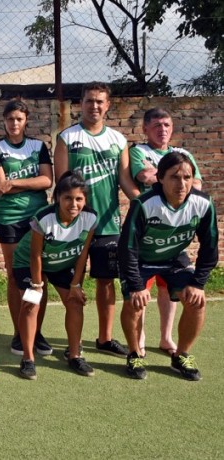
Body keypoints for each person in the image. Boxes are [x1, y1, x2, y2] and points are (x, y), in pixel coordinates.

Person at [53, 82, 137, 358]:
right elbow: (62, 184)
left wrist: (143, 201)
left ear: (108, 105)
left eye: (100, 101)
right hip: (74, 226)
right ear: (81, 103)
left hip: (107, 223)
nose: (94, 106)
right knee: (68, 283)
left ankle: (104, 338)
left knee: (105, 281)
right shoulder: (67, 137)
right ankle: (71, 343)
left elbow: (125, 180)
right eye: (89, 100)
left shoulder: (118, 140)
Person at [119, 152, 217, 381]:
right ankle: (134, 354)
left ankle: (181, 355)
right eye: (174, 177)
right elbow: (127, 248)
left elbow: (210, 249)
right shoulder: (143, 204)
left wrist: (198, 283)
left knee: (197, 301)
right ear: (160, 178)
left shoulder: (203, 204)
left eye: (187, 177)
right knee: (135, 301)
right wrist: (136, 284)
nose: (181, 184)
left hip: (174, 259)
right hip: (140, 261)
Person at [128, 108, 203, 357]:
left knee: (168, 289)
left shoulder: (183, 154)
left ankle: (166, 337)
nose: (163, 130)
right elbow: (143, 175)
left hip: (174, 234)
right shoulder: (138, 151)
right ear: (145, 128)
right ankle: (139, 338)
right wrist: (156, 175)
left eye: (167, 125)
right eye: (157, 125)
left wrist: (159, 175)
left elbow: (197, 184)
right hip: (148, 230)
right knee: (141, 291)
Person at [0, 101, 54, 356]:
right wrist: (28, 183)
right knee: (16, 277)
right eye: (10, 119)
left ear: (26, 121)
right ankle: (18, 332)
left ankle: (35, 331)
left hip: (37, 217)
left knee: (39, 277)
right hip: (10, 218)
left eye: (19, 119)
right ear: (4, 121)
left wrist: (14, 182)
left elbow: (47, 180)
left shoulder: (38, 146)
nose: (14, 123)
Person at [12, 172, 97, 379]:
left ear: (85, 200)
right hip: (28, 263)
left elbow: (83, 253)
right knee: (32, 303)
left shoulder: (90, 218)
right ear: (58, 197)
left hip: (62, 264)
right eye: (68, 198)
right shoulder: (44, 218)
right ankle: (28, 358)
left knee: (75, 302)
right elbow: (35, 255)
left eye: (79, 199)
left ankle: (75, 355)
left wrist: (76, 285)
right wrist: (37, 284)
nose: (73, 204)